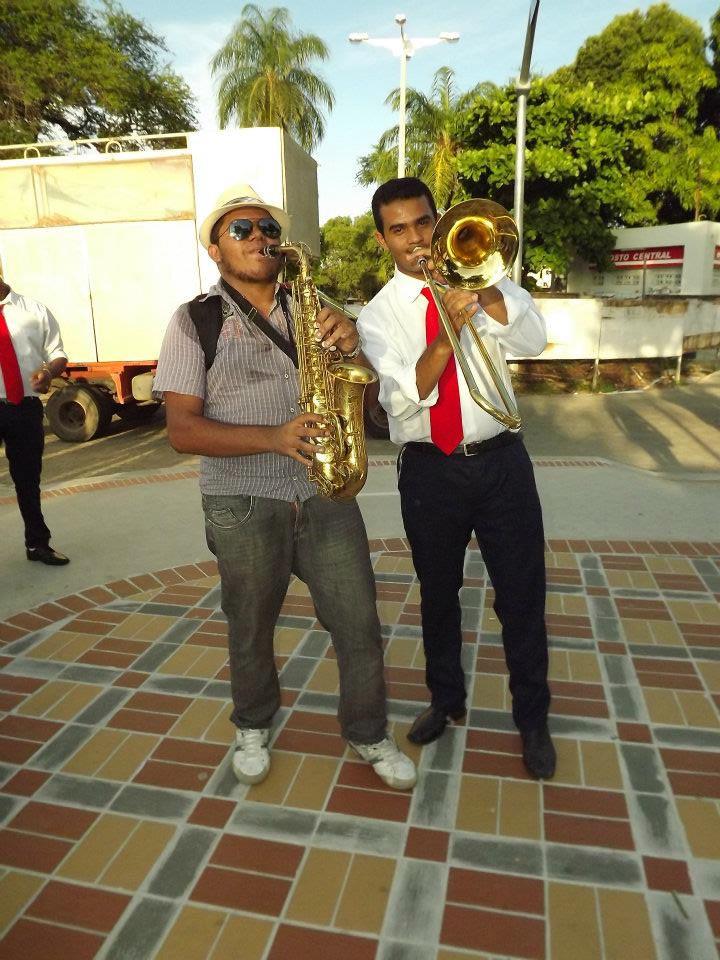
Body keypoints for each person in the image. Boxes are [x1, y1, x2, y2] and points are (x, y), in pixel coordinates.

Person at [153, 184, 416, 791]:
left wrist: (353, 346)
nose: (259, 237)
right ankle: (252, 723)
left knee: (359, 624)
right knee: (249, 627)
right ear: (215, 250)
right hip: (242, 501)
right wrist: (273, 437)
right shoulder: (194, 320)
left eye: (268, 228)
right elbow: (182, 430)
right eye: (240, 229)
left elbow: (368, 401)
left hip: (326, 494)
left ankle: (369, 731)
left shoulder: (315, 306)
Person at [357, 177, 555, 780]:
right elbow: (401, 398)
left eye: (423, 223)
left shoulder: (483, 276)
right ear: (383, 239)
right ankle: (446, 700)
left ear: (438, 220)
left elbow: (534, 340)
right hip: (430, 470)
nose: (415, 239)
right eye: (399, 230)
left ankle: (533, 719)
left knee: (522, 595)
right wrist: (446, 332)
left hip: (501, 462)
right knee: (439, 594)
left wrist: (484, 289)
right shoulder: (378, 315)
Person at [0, 274, 69, 565]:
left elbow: (57, 353)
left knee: (28, 480)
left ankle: (37, 544)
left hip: (23, 407)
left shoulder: (33, 310)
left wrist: (49, 373)